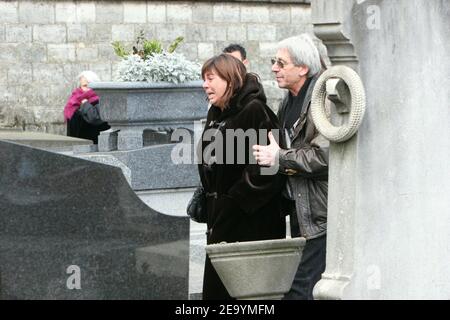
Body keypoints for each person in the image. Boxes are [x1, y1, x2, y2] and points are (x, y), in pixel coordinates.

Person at [199, 54, 286, 300]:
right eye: (203, 79)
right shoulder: (217, 112)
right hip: (222, 220)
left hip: (249, 225)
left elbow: (268, 168)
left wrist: (233, 201)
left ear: (230, 79)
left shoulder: (255, 110)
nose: (205, 85)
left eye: (210, 78)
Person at [252, 34, 329, 300]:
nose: (274, 67)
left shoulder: (323, 99)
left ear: (303, 68)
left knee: (300, 290)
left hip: (321, 215)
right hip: (301, 210)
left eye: (281, 63)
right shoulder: (288, 101)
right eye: (275, 62)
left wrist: (279, 157)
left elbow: (323, 157)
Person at [64, 71, 109, 144]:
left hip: (94, 145)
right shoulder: (74, 100)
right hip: (76, 144)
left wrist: (85, 104)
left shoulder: (102, 99)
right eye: (85, 85)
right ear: (80, 86)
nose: (88, 88)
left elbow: (95, 119)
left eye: (90, 85)